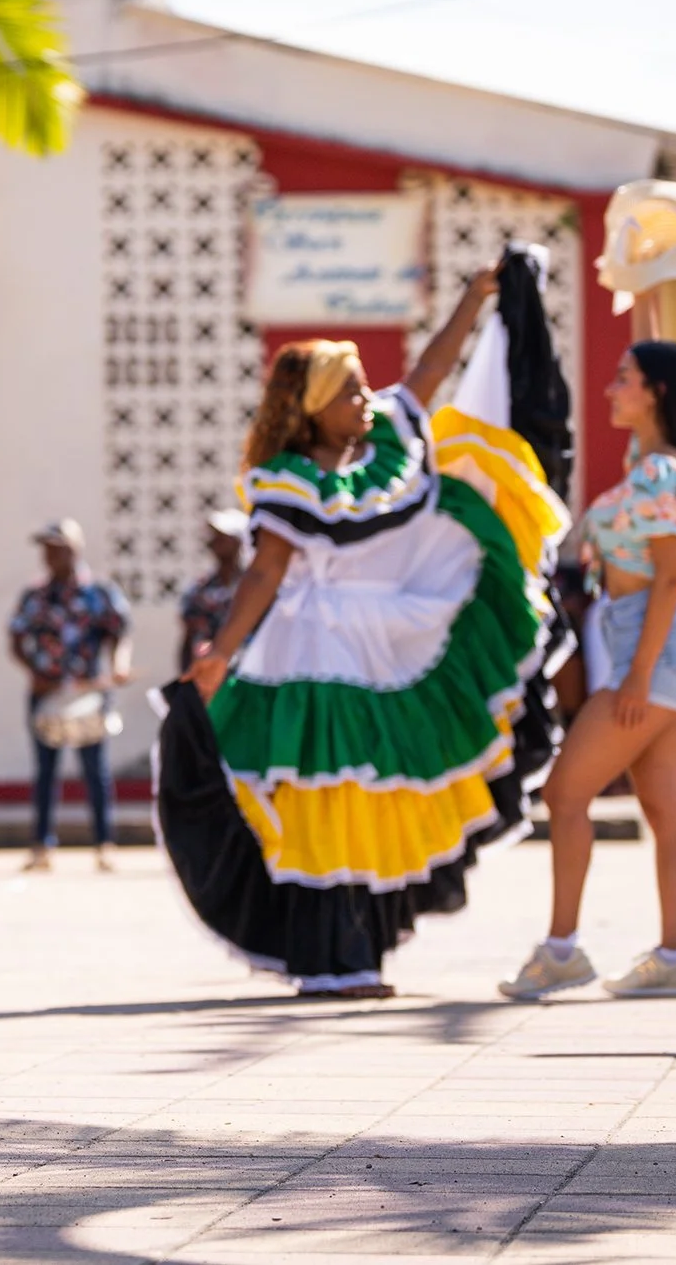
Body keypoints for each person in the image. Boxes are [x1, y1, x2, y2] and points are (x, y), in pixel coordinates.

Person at [173, 268, 552, 998]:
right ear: (315, 410)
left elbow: (429, 373)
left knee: (375, 795)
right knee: (329, 796)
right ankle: (329, 962)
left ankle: (358, 953)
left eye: (361, 387)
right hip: (311, 654)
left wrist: (473, 299)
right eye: (348, 391)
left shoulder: (381, 460)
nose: (364, 400)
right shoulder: (286, 481)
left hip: (383, 648)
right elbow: (264, 575)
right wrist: (221, 653)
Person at [500, 292, 676, 1000]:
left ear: (654, 394)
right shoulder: (649, 462)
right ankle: (674, 956)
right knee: (663, 813)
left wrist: (635, 679)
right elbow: (662, 359)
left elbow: (665, 584)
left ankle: (563, 949)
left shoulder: (664, 476)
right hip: (655, 653)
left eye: (624, 378)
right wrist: (644, 283)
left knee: (566, 794)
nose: (610, 387)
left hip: (654, 653)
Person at [8, 521, 131, 873]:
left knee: (95, 770)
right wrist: (35, 673)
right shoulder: (36, 595)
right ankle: (41, 846)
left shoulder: (100, 591)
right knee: (46, 769)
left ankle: (104, 844)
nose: (48, 555)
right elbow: (17, 639)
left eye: (55, 547)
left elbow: (119, 632)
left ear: (74, 550)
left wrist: (118, 665)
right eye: (45, 548)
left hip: (89, 692)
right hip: (46, 693)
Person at [177, 510, 250, 673]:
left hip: (248, 676)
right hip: (209, 677)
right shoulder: (199, 589)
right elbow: (188, 639)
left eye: (222, 536)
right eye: (214, 536)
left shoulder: (256, 588)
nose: (214, 541)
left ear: (239, 541)